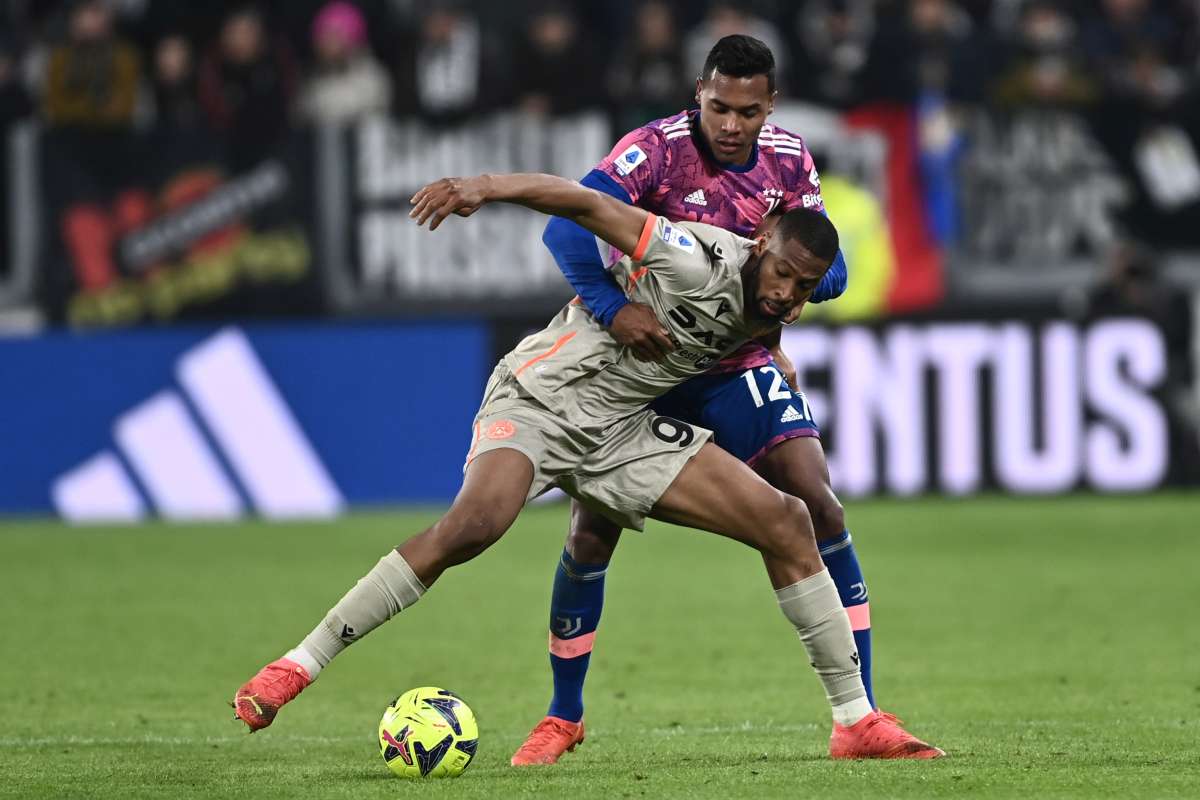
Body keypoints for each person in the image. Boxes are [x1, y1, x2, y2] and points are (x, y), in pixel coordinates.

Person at [231, 170, 943, 761]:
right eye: (782, 272)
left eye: (803, 285)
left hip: (621, 431)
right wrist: (483, 188)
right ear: (761, 244)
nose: (787, 292)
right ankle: (297, 665)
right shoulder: (692, 257)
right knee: (474, 526)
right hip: (542, 398)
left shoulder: (775, 301)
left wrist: (772, 350)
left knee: (787, 520)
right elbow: (584, 205)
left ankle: (854, 721)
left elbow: (753, 319)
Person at [514, 34, 887, 766]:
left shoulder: (789, 159)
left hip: (735, 363)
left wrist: (791, 280)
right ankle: (563, 715)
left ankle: (863, 716)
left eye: (748, 112)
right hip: (647, 364)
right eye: (720, 107)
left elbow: (830, 264)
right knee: (591, 534)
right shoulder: (653, 152)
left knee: (818, 503)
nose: (732, 124)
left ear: (769, 106)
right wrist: (612, 308)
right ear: (700, 93)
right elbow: (567, 228)